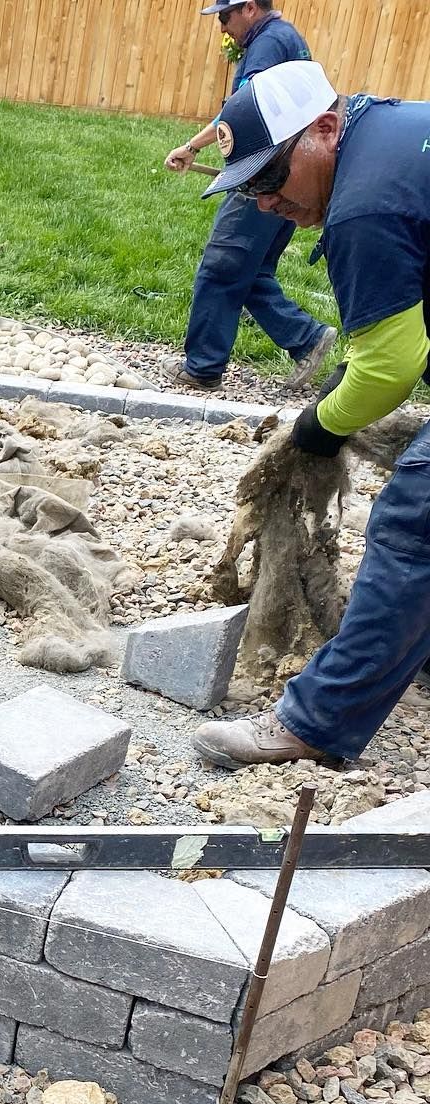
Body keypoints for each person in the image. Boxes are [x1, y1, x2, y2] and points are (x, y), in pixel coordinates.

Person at [192, 61, 430, 769]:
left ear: (325, 128)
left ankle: (316, 724)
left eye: (270, 180)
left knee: (416, 523)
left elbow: (389, 368)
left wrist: (315, 430)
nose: (266, 204)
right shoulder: (392, 132)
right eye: (251, 188)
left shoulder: (366, 205)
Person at [162, 1, 335, 391]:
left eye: (226, 17)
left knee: (222, 267)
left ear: (250, 8)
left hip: (264, 172)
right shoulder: (286, 38)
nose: (224, 28)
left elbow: (246, 115)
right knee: (251, 271)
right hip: (289, 175)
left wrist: (192, 146)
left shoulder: (268, 44)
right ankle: (305, 337)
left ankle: (202, 367)